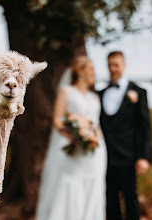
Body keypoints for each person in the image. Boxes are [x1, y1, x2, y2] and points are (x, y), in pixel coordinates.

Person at [36, 56, 107, 220]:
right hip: (71, 146)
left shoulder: (95, 97)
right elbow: (57, 120)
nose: (94, 73)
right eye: (91, 68)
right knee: (69, 185)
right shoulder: (66, 92)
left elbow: (97, 124)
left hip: (95, 151)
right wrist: (74, 135)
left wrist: (93, 138)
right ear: (79, 71)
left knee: (93, 186)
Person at [98, 51, 152, 220]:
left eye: (116, 64)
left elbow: (145, 127)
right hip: (104, 156)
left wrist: (144, 157)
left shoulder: (139, 92)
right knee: (110, 199)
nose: (113, 68)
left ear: (124, 65)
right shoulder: (100, 93)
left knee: (131, 198)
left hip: (129, 156)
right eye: (110, 65)